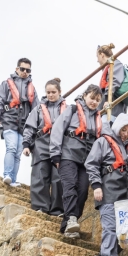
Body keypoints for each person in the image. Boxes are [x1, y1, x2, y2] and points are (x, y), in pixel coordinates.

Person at [85, 113, 128, 256]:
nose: (126, 134)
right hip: (107, 191)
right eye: (124, 130)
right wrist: (96, 186)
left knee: (125, 233)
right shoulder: (103, 142)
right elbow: (91, 164)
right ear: (118, 127)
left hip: (125, 195)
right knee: (110, 228)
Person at [50, 84, 104, 237]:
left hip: (86, 159)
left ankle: (68, 223)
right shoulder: (72, 110)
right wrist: (55, 154)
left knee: (83, 191)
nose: (94, 102)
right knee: (70, 185)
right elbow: (57, 129)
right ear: (85, 95)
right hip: (68, 154)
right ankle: (72, 220)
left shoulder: (99, 118)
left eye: (97, 100)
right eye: (92, 98)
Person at [22, 78, 66, 216]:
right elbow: (29, 127)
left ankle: (57, 210)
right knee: (40, 176)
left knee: (58, 178)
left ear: (59, 92)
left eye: (53, 92)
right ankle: (40, 207)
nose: (51, 95)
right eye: (48, 92)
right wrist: (26, 144)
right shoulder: (38, 109)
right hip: (41, 145)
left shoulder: (67, 109)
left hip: (60, 147)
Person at [0, 58, 39, 187]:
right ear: (17, 69)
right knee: (11, 148)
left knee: (18, 154)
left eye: (27, 70)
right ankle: (7, 175)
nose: (25, 72)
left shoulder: (32, 89)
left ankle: (12, 180)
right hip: (9, 121)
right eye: (22, 69)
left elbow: (37, 109)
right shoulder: (6, 84)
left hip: (23, 125)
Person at [97, 44, 128, 118]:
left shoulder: (115, 64)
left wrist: (108, 100)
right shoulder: (108, 67)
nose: (97, 60)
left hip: (114, 110)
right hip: (106, 108)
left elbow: (114, 82)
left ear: (102, 55)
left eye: (97, 57)